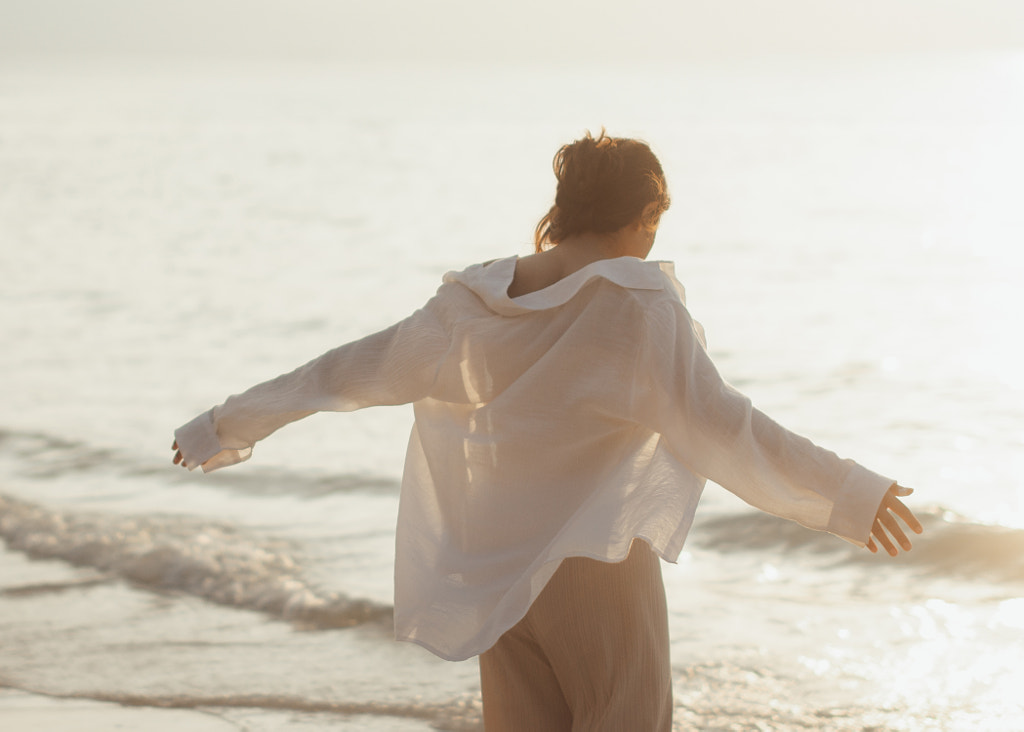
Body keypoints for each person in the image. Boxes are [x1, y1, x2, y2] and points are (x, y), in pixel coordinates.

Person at [172, 130, 923, 731]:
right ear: (645, 214)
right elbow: (725, 427)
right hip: (594, 568)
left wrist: (224, 424)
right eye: (654, 221)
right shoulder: (636, 303)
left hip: (497, 568)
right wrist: (848, 494)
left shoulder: (471, 304)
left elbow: (346, 371)